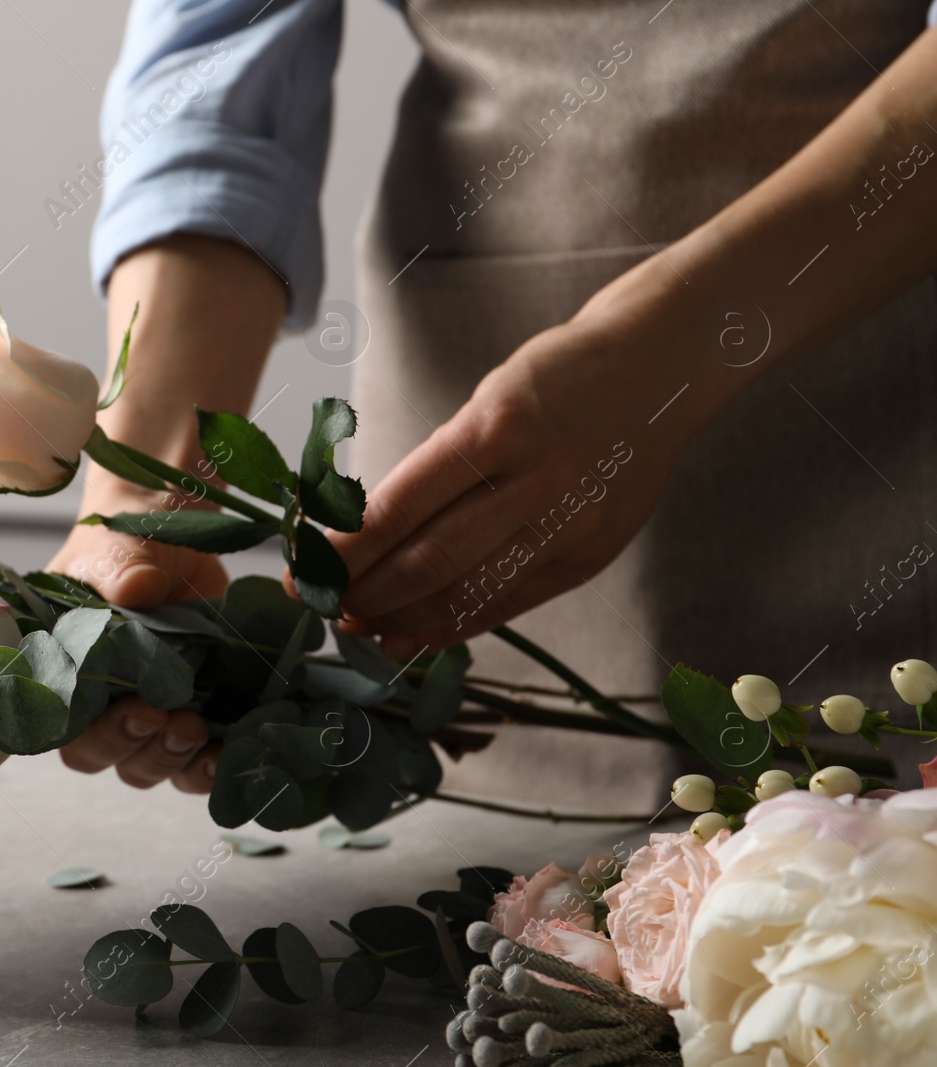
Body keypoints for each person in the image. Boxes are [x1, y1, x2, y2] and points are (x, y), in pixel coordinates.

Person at [48, 0, 937, 808]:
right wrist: (144, 495)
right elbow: (214, 73)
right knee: (501, 940)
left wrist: (669, 350)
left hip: (877, 413)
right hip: (461, 472)